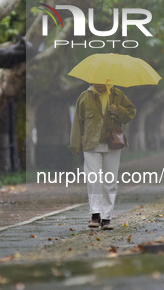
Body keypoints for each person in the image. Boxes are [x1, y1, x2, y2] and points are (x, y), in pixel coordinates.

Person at [68, 83, 136, 230]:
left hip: (112, 144)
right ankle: (95, 214)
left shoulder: (117, 94)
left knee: (110, 181)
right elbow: (78, 123)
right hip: (91, 144)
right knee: (93, 179)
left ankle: (106, 217)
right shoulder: (85, 96)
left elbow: (131, 112)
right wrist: (75, 144)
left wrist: (118, 110)